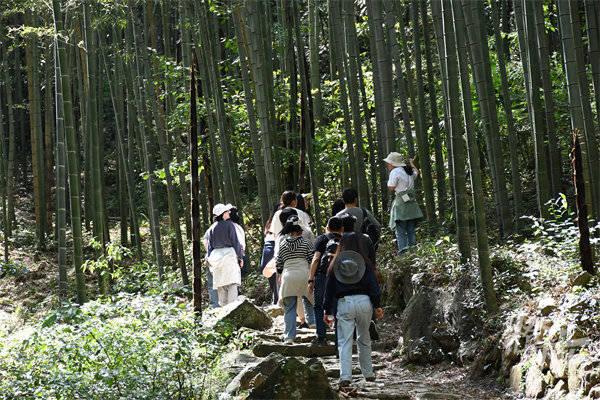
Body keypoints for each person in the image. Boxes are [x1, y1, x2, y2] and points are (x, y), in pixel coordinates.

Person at [323, 233, 384, 389]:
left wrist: (326, 310)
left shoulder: (335, 263)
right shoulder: (365, 262)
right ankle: (368, 373)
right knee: (364, 338)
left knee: (345, 341)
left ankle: (345, 377)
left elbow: (329, 289)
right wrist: (377, 305)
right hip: (364, 302)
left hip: (344, 303)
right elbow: (373, 286)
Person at [276, 216, 316, 344]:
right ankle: (313, 325)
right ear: (299, 230)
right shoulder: (306, 243)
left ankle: (289, 336)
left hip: (288, 276)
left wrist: (280, 274)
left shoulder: (282, 244)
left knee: (290, 308)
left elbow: (279, 264)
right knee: (309, 300)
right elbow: (311, 258)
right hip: (304, 274)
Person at [308, 216, 343, 345]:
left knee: (318, 306)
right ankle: (339, 337)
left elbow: (316, 259)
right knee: (338, 306)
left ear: (327, 227)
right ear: (342, 229)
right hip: (340, 277)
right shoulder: (345, 240)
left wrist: (311, 279)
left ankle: (321, 337)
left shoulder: (322, 239)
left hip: (322, 276)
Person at [205, 203, 244, 307]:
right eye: (227, 212)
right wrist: (240, 257)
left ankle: (223, 311)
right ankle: (232, 309)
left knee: (221, 285)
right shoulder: (230, 225)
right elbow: (236, 242)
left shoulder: (212, 228)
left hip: (216, 258)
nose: (229, 213)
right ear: (222, 214)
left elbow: (209, 247)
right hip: (229, 256)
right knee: (232, 283)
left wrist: (209, 260)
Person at [384, 152, 423, 254]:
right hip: (411, 203)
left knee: (400, 231)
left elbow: (391, 187)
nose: (387, 165)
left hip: (401, 203)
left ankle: (403, 254)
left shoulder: (395, 172)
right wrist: (412, 163)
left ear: (393, 163)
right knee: (410, 229)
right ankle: (413, 253)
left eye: (388, 163)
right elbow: (416, 172)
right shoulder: (408, 171)